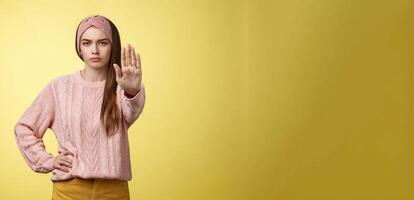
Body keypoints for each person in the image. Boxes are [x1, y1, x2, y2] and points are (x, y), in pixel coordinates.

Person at [14, 14, 146, 200]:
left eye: (102, 43)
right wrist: (47, 160)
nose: (94, 50)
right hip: (69, 189)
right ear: (79, 48)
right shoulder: (59, 87)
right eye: (86, 43)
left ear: (112, 46)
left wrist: (132, 91)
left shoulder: (121, 87)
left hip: (113, 191)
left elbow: (131, 113)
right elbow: (24, 127)